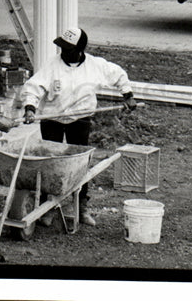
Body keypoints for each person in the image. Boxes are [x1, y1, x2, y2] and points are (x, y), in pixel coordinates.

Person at [19, 26, 136, 227]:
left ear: (80, 50)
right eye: (62, 47)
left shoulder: (96, 66)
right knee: (50, 163)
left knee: (80, 163)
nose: (63, 52)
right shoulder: (52, 65)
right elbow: (33, 86)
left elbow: (118, 75)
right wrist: (30, 108)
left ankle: (81, 208)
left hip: (80, 118)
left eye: (68, 48)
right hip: (52, 118)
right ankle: (48, 207)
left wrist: (128, 95)